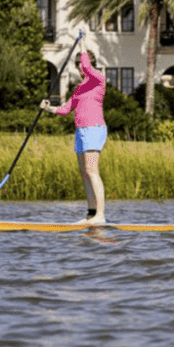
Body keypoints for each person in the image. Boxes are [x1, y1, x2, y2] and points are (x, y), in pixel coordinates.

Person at [41, 48, 107, 225]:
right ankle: (91, 213)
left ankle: (101, 215)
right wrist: (48, 108)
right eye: (77, 67)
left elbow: (87, 66)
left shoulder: (99, 80)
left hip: (94, 128)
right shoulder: (79, 89)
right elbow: (65, 109)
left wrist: (82, 44)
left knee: (92, 171)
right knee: (84, 173)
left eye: (82, 66)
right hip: (80, 131)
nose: (80, 70)